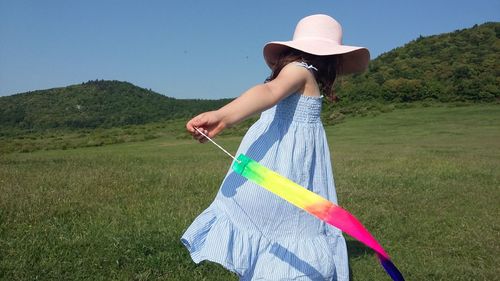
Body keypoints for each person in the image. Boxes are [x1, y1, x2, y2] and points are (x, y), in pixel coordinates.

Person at [181, 14, 370, 280]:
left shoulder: (302, 73)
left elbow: (270, 92)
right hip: (285, 169)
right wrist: (223, 116)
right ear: (331, 58)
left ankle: (269, 266)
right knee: (292, 226)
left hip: (280, 162)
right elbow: (267, 93)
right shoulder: (301, 70)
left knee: (283, 226)